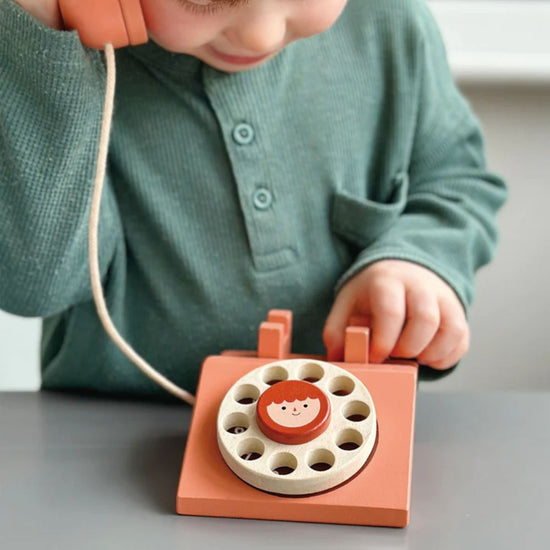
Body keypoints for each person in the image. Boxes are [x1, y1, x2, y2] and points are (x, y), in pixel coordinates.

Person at [0, 0, 507, 399]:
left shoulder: (391, 25)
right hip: (102, 438)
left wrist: (421, 262)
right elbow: (34, 287)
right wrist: (43, 36)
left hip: (341, 440)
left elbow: (456, 181)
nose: (259, 34)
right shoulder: (67, 63)